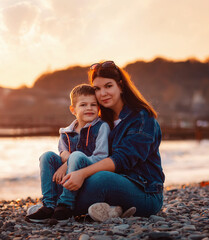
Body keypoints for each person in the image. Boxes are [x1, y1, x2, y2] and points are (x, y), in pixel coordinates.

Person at [60, 61, 165, 221]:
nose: (103, 93)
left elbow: (122, 159)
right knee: (53, 164)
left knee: (100, 179)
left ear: (121, 86)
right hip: (113, 184)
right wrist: (66, 167)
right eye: (97, 89)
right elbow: (87, 155)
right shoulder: (101, 121)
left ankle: (56, 207)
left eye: (108, 86)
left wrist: (81, 174)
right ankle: (110, 210)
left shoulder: (142, 118)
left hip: (145, 193)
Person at [25, 84, 111, 224]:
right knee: (47, 156)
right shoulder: (66, 132)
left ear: (99, 108)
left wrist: (66, 164)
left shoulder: (102, 127)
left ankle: (66, 206)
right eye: (83, 105)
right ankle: (49, 205)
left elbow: (101, 157)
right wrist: (66, 162)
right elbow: (63, 154)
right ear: (73, 110)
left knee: (76, 155)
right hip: (69, 176)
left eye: (93, 105)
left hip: (89, 173)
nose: (89, 108)